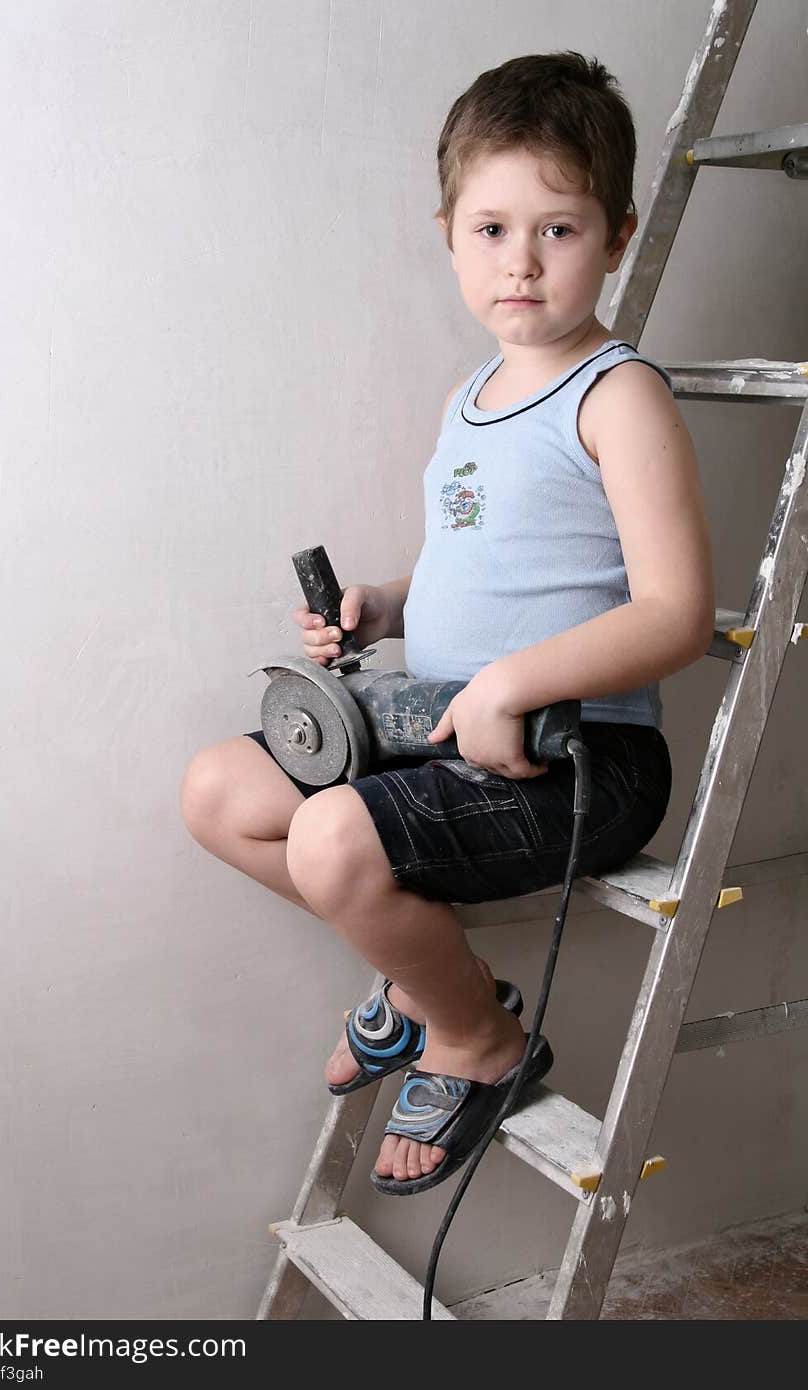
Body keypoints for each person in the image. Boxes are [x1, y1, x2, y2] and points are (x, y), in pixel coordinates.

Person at [180, 52, 714, 1196]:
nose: (520, 261)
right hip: (443, 726)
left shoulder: (617, 395)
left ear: (615, 237)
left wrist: (515, 683)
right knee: (219, 793)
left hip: (577, 756)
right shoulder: (469, 398)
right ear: (447, 232)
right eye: (491, 228)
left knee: (330, 838)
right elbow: (476, 565)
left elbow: (672, 613)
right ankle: (432, 985)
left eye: (557, 230)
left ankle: (478, 1040)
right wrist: (384, 602)